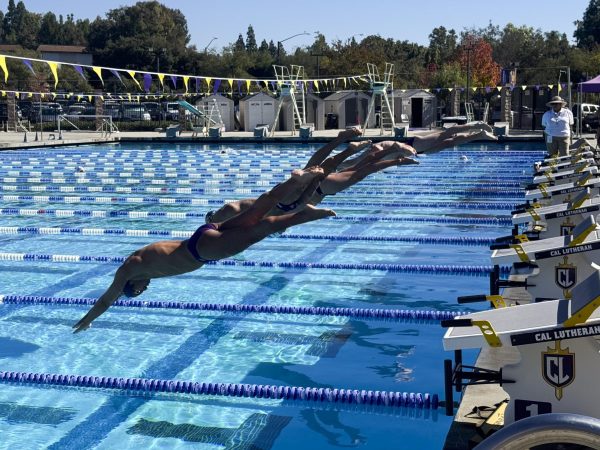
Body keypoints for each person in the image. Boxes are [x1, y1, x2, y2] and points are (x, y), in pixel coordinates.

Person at [72, 166, 334, 333]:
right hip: (201, 234)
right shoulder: (137, 257)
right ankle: (299, 181)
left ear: (132, 285)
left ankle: (309, 215)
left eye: (139, 291)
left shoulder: (129, 271)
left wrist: (88, 319)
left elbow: (107, 298)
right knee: (257, 210)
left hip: (203, 251)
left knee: (260, 229)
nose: (145, 289)